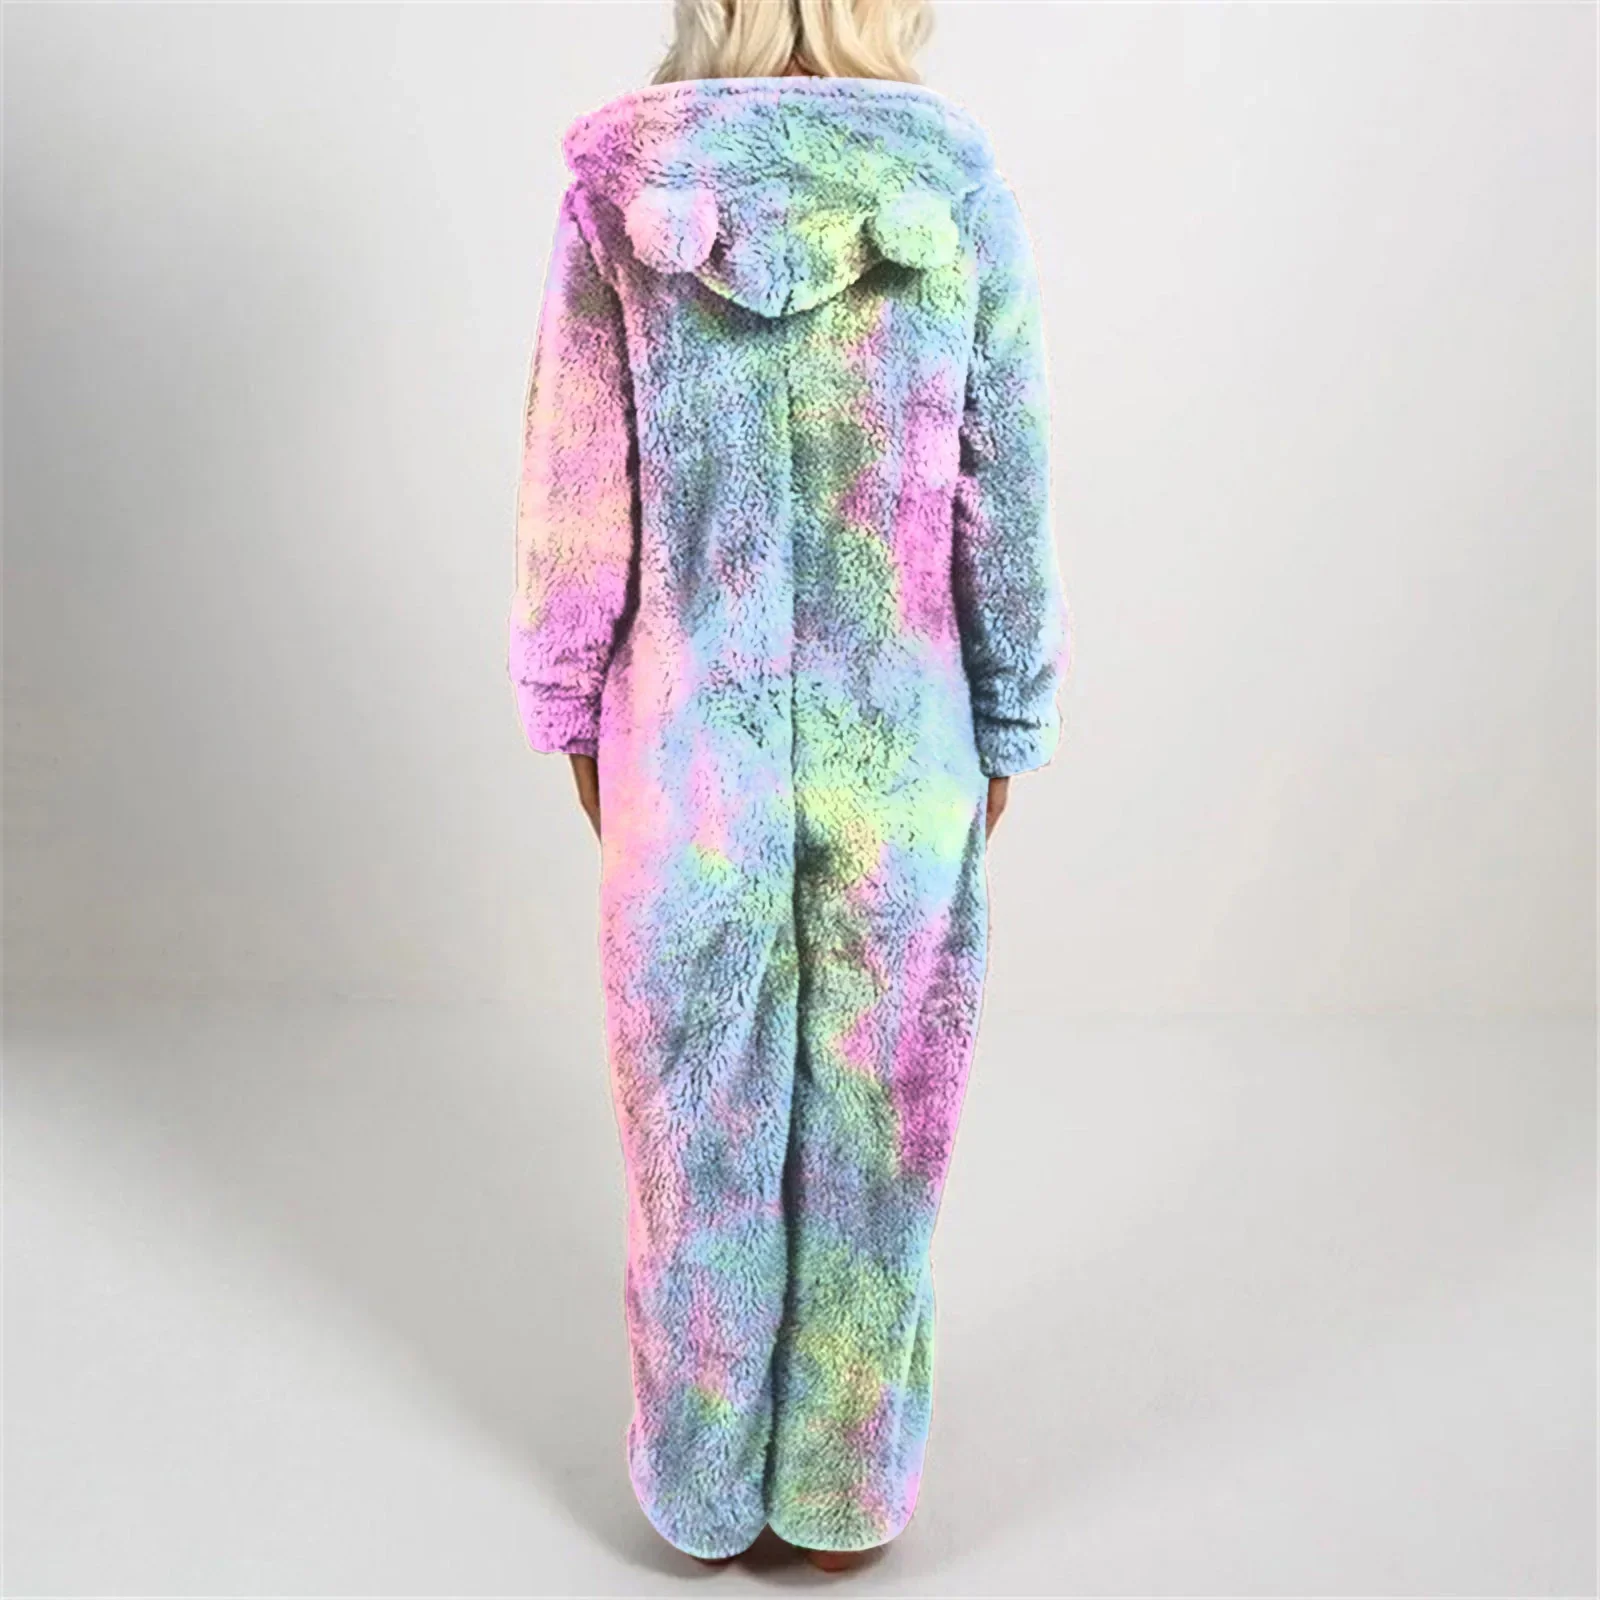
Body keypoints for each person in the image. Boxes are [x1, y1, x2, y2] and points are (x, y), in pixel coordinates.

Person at [506, 0, 1067, 1573]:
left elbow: (574, 486)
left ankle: (700, 1489)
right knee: (884, 1126)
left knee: (694, 1120)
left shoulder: (625, 190)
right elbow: (1006, 483)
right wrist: (1008, 713)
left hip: (690, 744)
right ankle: (840, 1495)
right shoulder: (954, 185)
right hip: (907, 747)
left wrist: (572, 704)